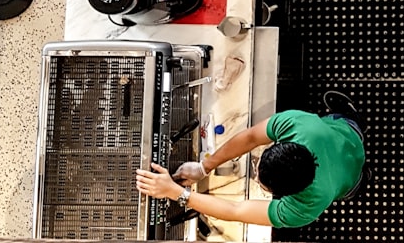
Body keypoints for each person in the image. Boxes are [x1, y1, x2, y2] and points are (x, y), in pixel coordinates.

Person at [135, 92, 366, 229]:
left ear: (287, 196)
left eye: (259, 179)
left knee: (352, 182)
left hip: (344, 173)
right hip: (348, 137)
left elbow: (237, 210)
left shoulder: (305, 209)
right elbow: (250, 137)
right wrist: (204, 166)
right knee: (348, 130)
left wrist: (176, 192)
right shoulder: (297, 123)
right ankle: (352, 120)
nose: (254, 173)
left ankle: (360, 174)